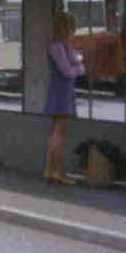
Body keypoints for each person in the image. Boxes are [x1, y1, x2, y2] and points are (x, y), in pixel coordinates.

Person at [44, 12, 86, 185]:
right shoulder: (59, 46)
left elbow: (75, 61)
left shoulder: (61, 45)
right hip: (62, 91)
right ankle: (59, 172)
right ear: (67, 28)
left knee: (57, 131)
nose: (73, 31)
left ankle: (51, 169)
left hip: (61, 90)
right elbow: (68, 70)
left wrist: (77, 63)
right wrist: (80, 68)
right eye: (72, 27)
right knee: (60, 133)